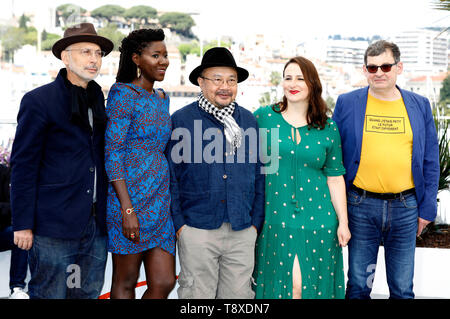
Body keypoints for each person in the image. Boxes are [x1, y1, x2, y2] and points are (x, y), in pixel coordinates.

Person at [10, 23, 113, 299]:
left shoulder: (97, 99)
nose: (94, 59)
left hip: (95, 226)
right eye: (85, 52)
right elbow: (23, 166)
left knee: (85, 293)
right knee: (50, 294)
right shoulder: (38, 101)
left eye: (98, 53)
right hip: (53, 225)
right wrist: (22, 224)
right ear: (65, 57)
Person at [332, 40, 440, 299]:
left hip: (406, 208)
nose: (379, 72)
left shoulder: (419, 104)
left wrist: (427, 209)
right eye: (372, 67)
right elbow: (332, 153)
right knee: (358, 285)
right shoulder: (347, 103)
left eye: (385, 66)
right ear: (364, 70)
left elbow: (430, 161)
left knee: (402, 289)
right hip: (360, 206)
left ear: (398, 67)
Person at [166, 47, 265, 299]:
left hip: (242, 229)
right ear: (201, 81)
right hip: (197, 228)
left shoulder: (249, 121)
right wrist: (180, 226)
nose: (225, 86)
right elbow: (171, 178)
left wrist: (255, 223)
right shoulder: (181, 120)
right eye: (217, 79)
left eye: (231, 80)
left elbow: (259, 174)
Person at [252, 56, 351, 299]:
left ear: (312, 84)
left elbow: (335, 177)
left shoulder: (328, 127)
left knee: (306, 288)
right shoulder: (263, 118)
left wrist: (343, 222)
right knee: (287, 287)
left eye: (300, 78)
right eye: (287, 78)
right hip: (274, 218)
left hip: (320, 220)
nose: (292, 84)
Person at [104, 28, 176, 299]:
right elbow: (112, 151)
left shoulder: (163, 99)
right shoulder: (123, 94)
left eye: (166, 55)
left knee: (164, 281)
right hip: (128, 200)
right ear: (136, 58)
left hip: (159, 202)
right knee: (126, 281)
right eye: (155, 55)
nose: (163, 61)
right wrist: (127, 209)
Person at [0, 163, 29, 299]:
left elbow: (10, 205)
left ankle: (17, 288)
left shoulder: (3, 171)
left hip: (1, 230)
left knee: (19, 235)